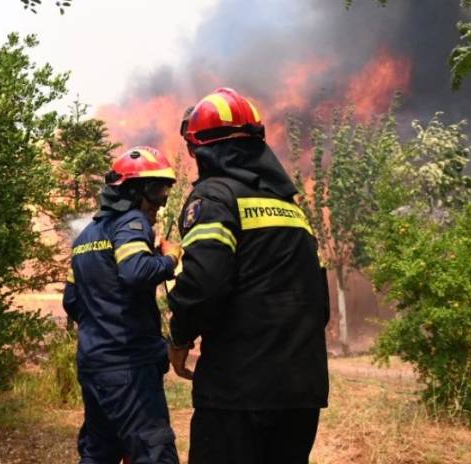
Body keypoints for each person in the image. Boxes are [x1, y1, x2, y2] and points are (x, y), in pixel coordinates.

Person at [166, 88, 330, 464]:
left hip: (238, 393)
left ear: (201, 149)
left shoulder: (214, 199)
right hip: (301, 392)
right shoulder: (291, 209)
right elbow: (319, 303)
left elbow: (203, 285)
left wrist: (179, 338)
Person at [63, 146, 182, 464]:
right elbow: (135, 272)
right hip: (129, 368)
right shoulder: (131, 222)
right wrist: (170, 257)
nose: (161, 201)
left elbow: (72, 301)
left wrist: (104, 320)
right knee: (153, 453)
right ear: (135, 191)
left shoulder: (85, 236)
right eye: (158, 191)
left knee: (100, 453)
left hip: (94, 366)